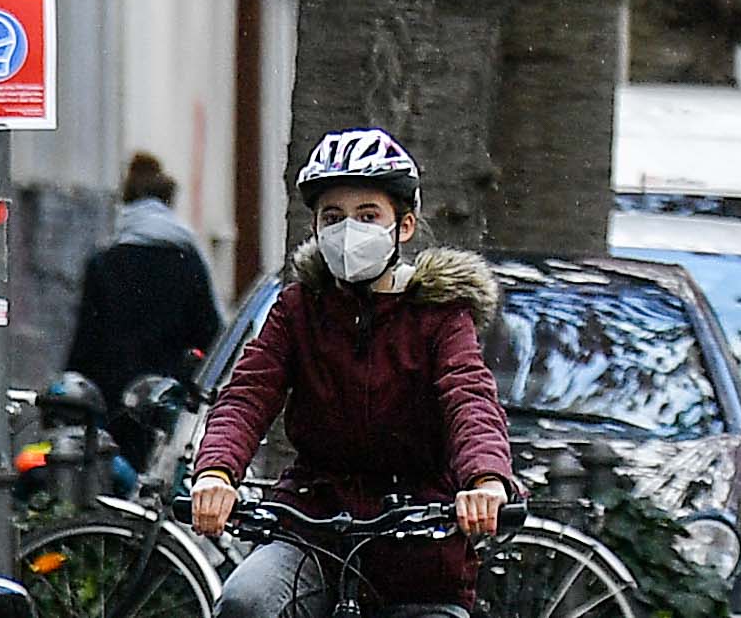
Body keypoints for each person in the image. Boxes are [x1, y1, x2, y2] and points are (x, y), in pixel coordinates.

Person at [187, 130, 511, 614]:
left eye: (367, 216)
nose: (348, 231)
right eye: (333, 217)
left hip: (419, 541)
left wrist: (485, 480)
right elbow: (248, 393)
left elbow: (469, 396)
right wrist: (216, 471)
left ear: (403, 226)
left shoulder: (439, 315)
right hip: (314, 527)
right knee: (247, 601)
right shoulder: (298, 309)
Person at [66, 154, 228, 460]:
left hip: (113, 397)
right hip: (168, 399)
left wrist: (71, 394)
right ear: (169, 203)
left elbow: (86, 339)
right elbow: (210, 332)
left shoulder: (105, 263)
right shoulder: (186, 260)